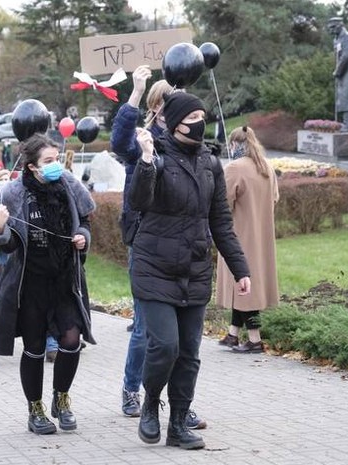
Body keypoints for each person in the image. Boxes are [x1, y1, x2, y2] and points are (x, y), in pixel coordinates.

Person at [130, 91, 251, 449]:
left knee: (189, 353)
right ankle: (151, 402)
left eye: (202, 117)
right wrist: (146, 160)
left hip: (194, 269)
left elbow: (221, 222)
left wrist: (240, 268)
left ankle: (179, 424)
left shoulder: (210, 163)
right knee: (165, 346)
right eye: (192, 118)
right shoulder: (156, 155)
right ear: (175, 122)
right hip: (154, 267)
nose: (200, 123)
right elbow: (138, 200)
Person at [110, 66, 207, 428]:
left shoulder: (192, 146)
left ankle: (180, 405)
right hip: (148, 246)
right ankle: (134, 390)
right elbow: (120, 143)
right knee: (147, 330)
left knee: (183, 340)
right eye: (168, 105)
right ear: (157, 108)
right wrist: (135, 92)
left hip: (184, 249)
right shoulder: (145, 140)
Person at [0, 134, 96, 435]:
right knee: (34, 347)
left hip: (65, 280)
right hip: (30, 283)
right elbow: (7, 245)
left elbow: (85, 221)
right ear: (32, 166)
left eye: (56, 159)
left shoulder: (68, 185)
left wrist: (82, 237)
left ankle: (61, 398)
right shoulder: (15, 193)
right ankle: (35, 409)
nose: (56, 165)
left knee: (71, 341)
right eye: (48, 161)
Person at [216, 126, 279, 353]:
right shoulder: (266, 166)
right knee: (243, 287)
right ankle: (233, 334)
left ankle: (254, 339)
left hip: (239, 236)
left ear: (235, 144)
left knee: (244, 289)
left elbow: (221, 204)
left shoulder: (234, 168)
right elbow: (275, 199)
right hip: (262, 237)